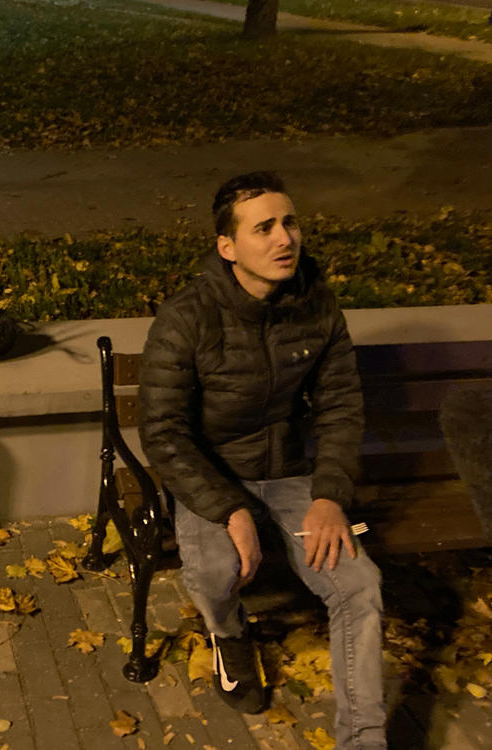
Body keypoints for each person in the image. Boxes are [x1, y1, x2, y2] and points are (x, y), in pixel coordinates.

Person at [139, 172, 385, 749]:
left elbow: (341, 408)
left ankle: (364, 739)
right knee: (213, 572)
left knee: (359, 585)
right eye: (265, 228)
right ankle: (229, 635)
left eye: (290, 222)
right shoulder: (187, 318)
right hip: (213, 474)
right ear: (228, 248)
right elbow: (164, 431)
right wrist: (230, 509)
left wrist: (329, 496)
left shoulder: (315, 304)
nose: (285, 239)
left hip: (293, 476)